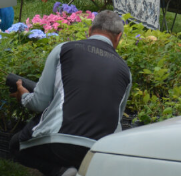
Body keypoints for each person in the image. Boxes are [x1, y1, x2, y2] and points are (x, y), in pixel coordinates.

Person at [9, 11, 132, 176]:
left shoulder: (63, 50)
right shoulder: (126, 72)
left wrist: (23, 96)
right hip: (98, 150)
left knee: (16, 145)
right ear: (118, 37)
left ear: (89, 31)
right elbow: (116, 119)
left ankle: (61, 171)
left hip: (59, 142)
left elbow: (38, 103)